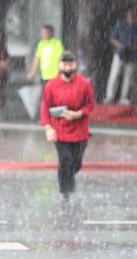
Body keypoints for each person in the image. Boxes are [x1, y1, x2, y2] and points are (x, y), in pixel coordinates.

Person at [40, 51, 94, 200]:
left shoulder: (84, 84)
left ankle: (68, 178)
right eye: (64, 64)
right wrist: (48, 127)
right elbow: (45, 107)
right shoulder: (51, 85)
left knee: (76, 163)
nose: (67, 67)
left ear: (76, 65)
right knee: (65, 159)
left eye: (70, 64)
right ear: (59, 65)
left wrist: (77, 114)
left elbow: (90, 105)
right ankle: (66, 191)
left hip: (80, 131)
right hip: (60, 131)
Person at [104, 7, 137, 104]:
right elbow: (112, 38)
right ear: (126, 13)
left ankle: (124, 97)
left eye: (133, 12)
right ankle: (109, 96)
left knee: (128, 77)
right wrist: (120, 45)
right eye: (129, 12)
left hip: (131, 54)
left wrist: (136, 46)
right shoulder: (120, 24)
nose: (131, 14)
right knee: (115, 74)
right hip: (120, 53)